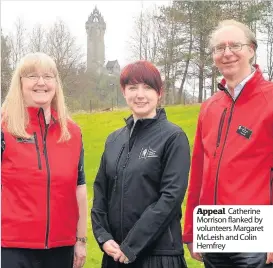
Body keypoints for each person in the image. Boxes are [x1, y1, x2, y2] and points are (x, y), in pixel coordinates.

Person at [183, 19, 273, 268]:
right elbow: (199, 172)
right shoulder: (210, 107)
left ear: (252, 50)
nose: (227, 53)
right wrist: (192, 230)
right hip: (214, 232)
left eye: (235, 45)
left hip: (256, 235)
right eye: (219, 48)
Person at [91, 60, 190, 268]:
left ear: (159, 92)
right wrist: (103, 236)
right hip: (115, 255)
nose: (140, 95)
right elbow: (100, 192)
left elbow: (170, 198)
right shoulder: (114, 139)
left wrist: (131, 246)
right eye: (133, 87)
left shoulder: (173, 137)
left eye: (147, 87)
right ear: (124, 91)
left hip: (158, 255)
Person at [1, 52, 87, 268]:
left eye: (48, 76)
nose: (41, 82)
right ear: (20, 83)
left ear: (56, 84)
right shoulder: (4, 128)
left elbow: (79, 188)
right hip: (13, 249)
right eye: (32, 76)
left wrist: (81, 240)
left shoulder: (72, 133)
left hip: (61, 249)